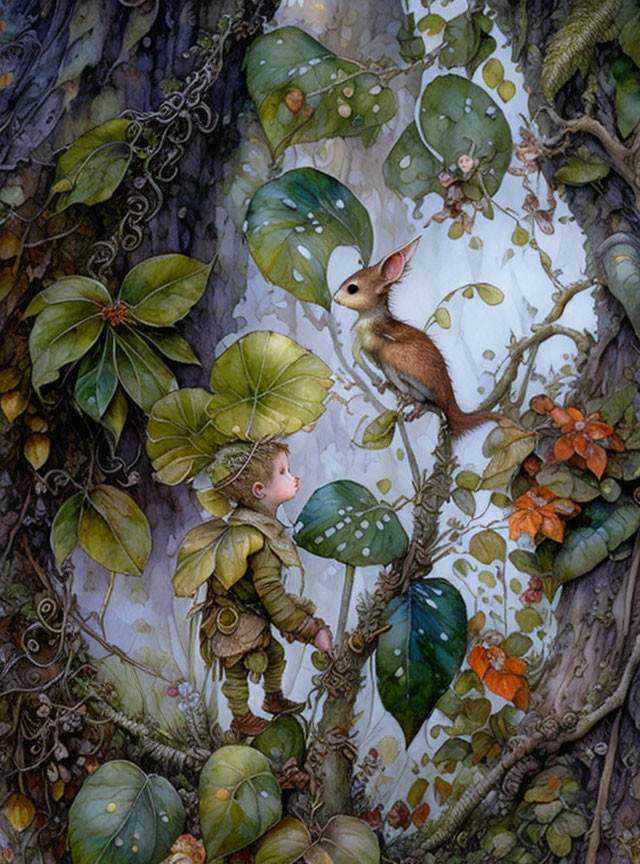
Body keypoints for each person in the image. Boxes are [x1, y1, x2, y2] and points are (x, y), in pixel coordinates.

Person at [199, 440, 332, 736]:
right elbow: (270, 594)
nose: (293, 477)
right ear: (260, 491)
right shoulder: (257, 538)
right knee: (235, 669)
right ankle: (241, 717)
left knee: (274, 656)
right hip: (234, 619)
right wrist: (308, 630)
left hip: (249, 611)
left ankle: (273, 699)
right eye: (283, 472)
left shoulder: (252, 526)